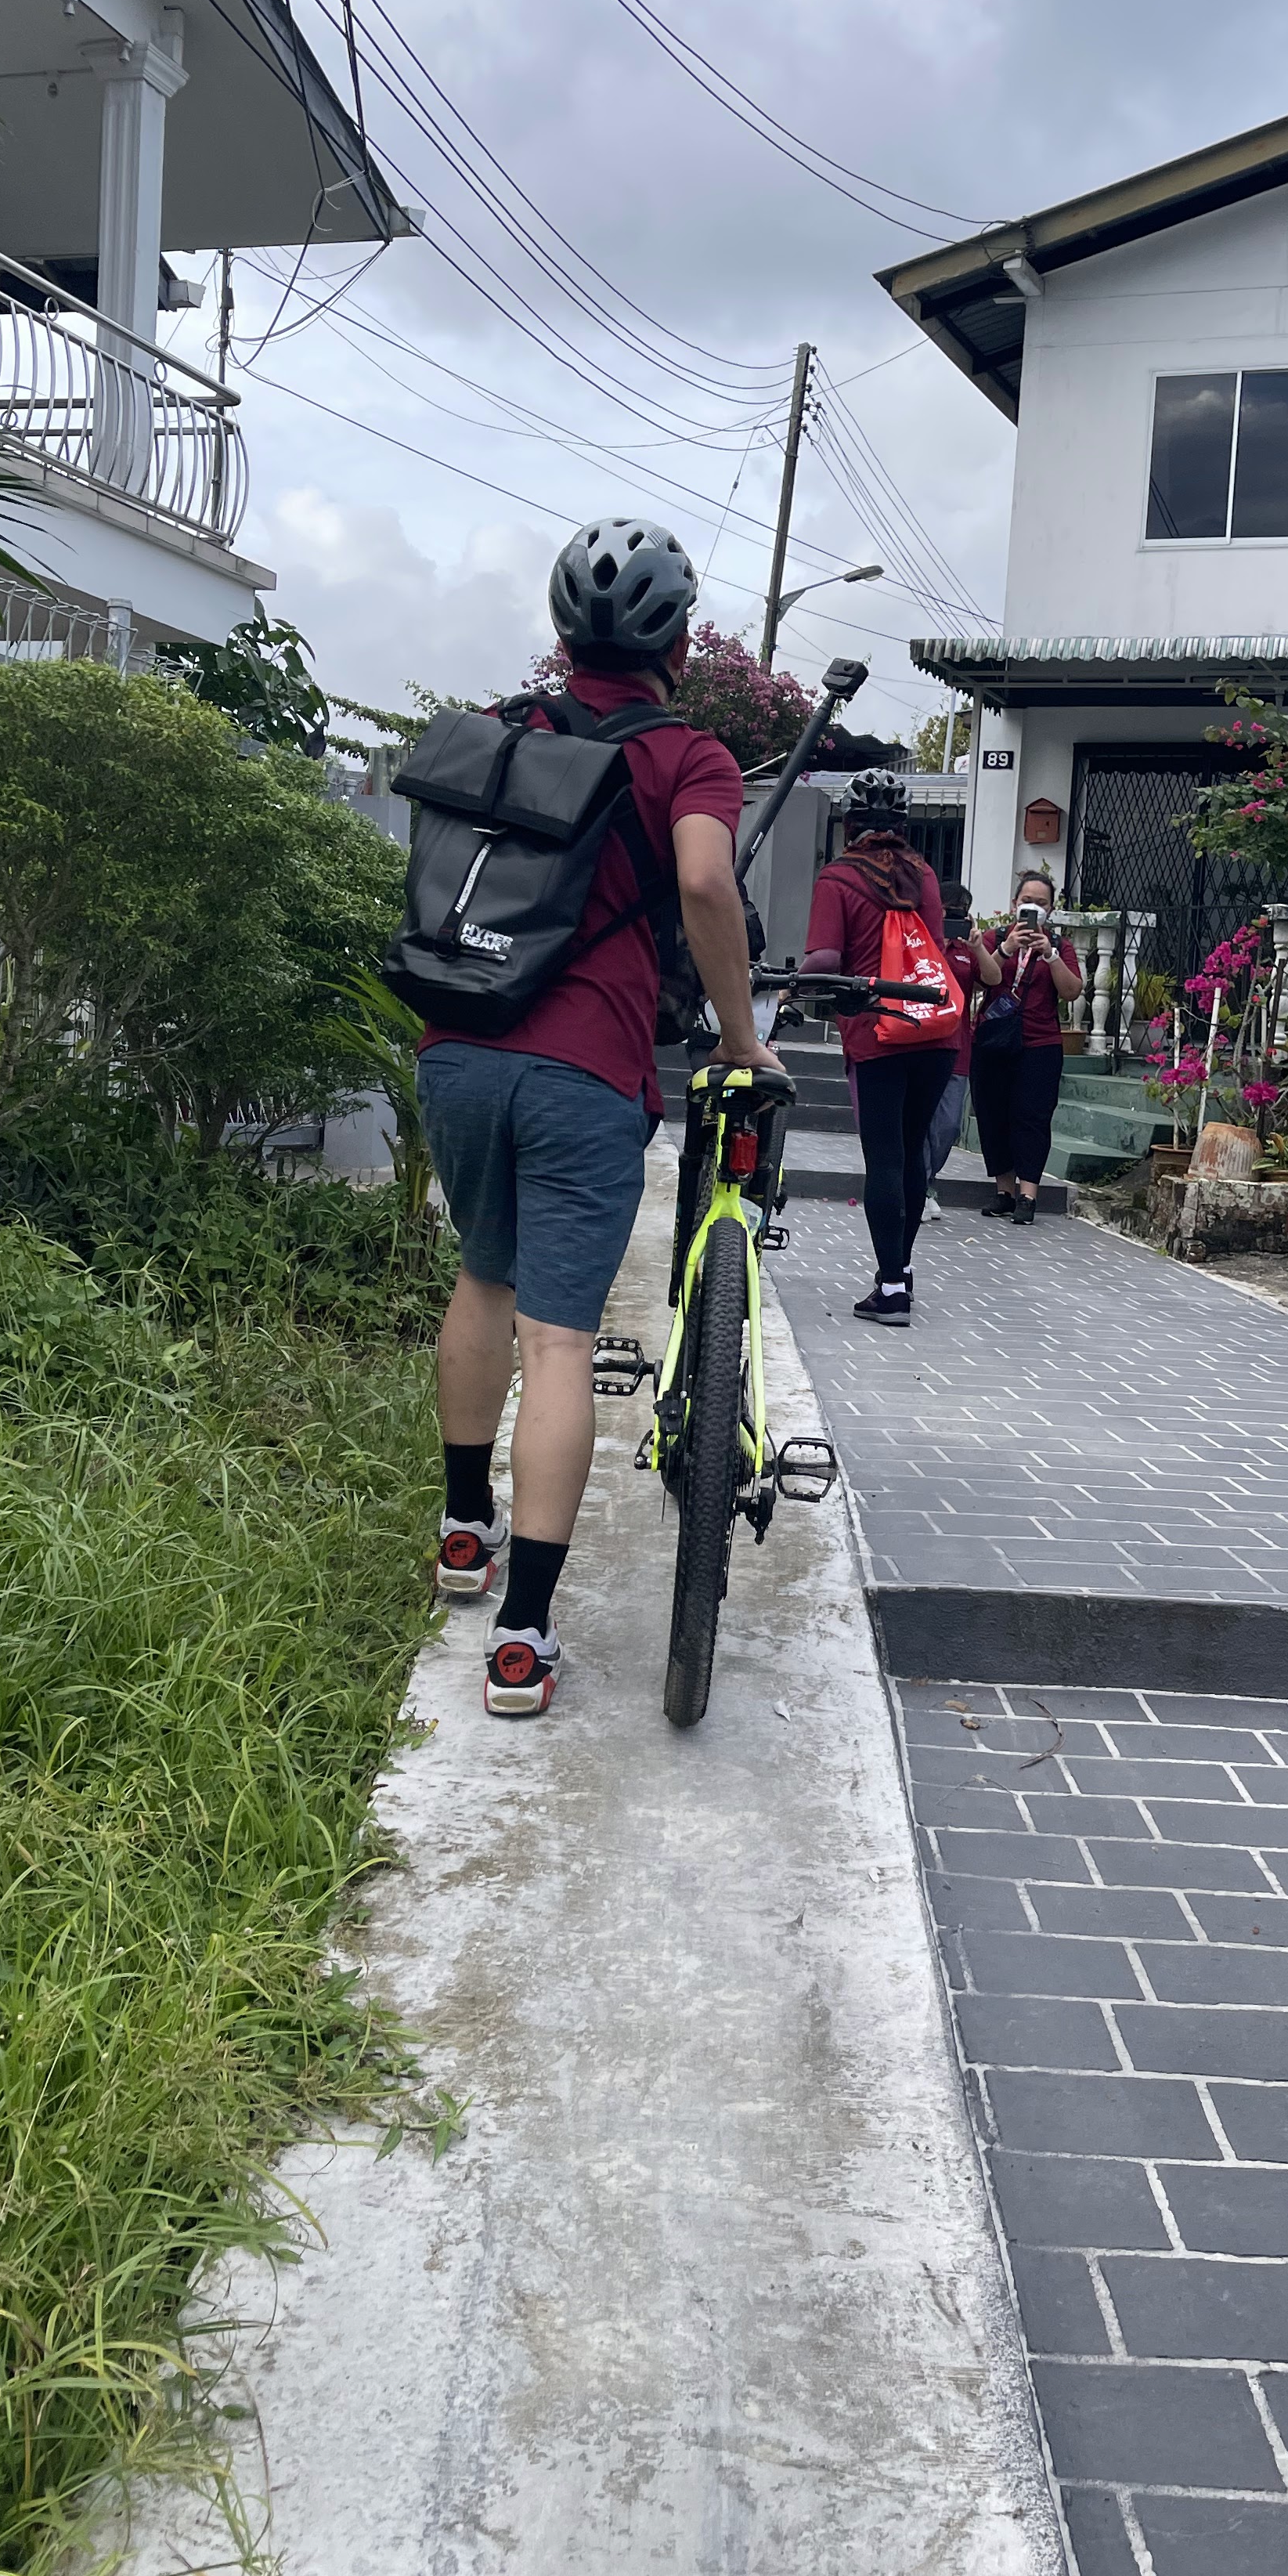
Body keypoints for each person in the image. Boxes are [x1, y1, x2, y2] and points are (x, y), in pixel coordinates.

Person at [419, 517, 777, 1718]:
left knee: (482, 1280)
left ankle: (462, 1534)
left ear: (562, 626)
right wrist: (739, 1032)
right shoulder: (692, 756)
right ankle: (522, 1636)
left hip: (459, 1044)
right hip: (583, 1070)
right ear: (678, 635)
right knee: (558, 1343)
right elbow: (704, 883)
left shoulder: (505, 731)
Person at [803, 769, 957, 1326]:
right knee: (912, 1151)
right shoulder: (925, 876)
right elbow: (934, 948)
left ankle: (891, 1288)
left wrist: (801, 982)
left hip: (877, 1031)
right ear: (903, 825)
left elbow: (823, 959)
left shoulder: (838, 878)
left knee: (884, 1158)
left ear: (850, 824)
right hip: (935, 1031)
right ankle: (901, 1268)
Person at [967, 868, 1082, 1224]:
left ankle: (1028, 1196)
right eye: (1027, 901)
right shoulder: (994, 938)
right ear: (1014, 904)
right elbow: (981, 980)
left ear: (1052, 909)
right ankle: (1004, 1191)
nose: (1033, 908)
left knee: (1032, 1117)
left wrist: (1050, 955)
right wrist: (1005, 949)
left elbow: (1072, 991)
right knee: (992, 1113)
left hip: (1040, 1042)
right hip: (993, 1040)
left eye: (1041, 903)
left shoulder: (1060, 946)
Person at [916, 878, 976, 1221]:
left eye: (962, 913)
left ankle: (925, 1179)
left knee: (948, 1125)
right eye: (950, 912)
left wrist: (979, 946)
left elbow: (994, 979)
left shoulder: (969, 949)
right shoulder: (922, 941)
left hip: (958, 1048)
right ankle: (922, 1188)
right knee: (921, 1120)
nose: (956, 918)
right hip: (922, 1042)